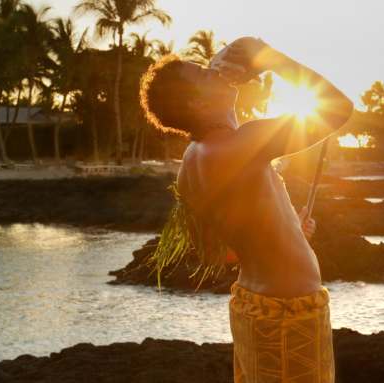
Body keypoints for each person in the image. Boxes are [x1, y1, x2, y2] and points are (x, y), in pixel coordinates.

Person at [139, 37, 353, 383]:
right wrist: (274, 60)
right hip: (286, 313)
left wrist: (282, 235)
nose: (214, 72)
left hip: (257, 306)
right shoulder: (239, 145)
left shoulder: (193, 159)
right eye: (203, 74)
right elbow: (338, 109)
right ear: (196, 101)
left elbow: (216, 252)